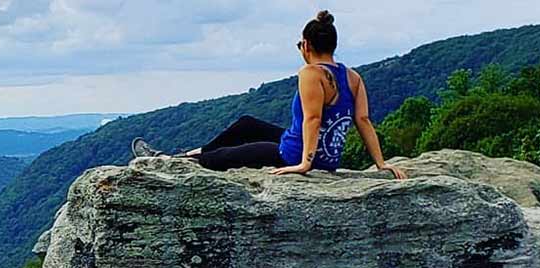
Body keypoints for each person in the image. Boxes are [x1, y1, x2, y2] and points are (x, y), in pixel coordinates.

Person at [132, 10, 407, 180]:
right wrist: (381, 163)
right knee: (247, 125)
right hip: (324, 155)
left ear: (307, 45)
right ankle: (186, 153)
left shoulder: (311, 73)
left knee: (226, 157)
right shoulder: (352, 77)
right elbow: (363, 120)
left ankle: (164, 162)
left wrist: (303, 164)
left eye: (301, 44)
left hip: (293, 154)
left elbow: (312, 119)